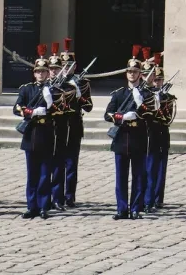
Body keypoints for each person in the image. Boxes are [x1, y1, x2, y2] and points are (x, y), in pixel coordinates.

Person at [104, 45, 154, 220]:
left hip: (138, 138)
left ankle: (135, 209)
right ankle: (122, 208)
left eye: (135, 71)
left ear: (140, 73)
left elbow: (151, 114)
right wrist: (121, 117)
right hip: (121, 139)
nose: (132, 74)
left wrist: (140, 109)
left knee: (139, 177)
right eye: (129, 71)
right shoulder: (119, 94)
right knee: (121, 178)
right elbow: (107, 114)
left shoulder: (146, 94)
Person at [13, 44, 56, 219]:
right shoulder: (26, 89)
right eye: (38, 71)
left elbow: (60, 110)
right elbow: (17, 108)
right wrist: (30, 112)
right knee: (32, 174)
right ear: (34, 73)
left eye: (44, 72)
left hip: (46, 134)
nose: (40, 74)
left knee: (45, 174)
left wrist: (50, 102)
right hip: (31, 134)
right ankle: (32, 206)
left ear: (48, 73)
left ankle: (44, 205)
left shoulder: (53, 90)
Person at [58, 38, 92, 207]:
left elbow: (89, 107)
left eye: (69, 66)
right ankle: (56, 195)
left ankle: (69, 195)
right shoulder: (55, 83)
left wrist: (80, 95)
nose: (66, 69)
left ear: (74, 66)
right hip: (57, 125)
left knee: (71, 163)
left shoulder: (82, 83)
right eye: (63, 66)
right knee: (56, 162)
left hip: (74, 125)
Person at [144, 53, 175, 213]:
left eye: (159, 80)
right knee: (146, 168)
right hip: (146, 135)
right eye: (155, 80)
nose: (157, 83)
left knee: (159, 169)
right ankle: (146, 198)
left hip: (160, 135)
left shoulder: (167, 98)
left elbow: (167, 118)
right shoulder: (145, 95)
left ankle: (158, 198)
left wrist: (160, 101)